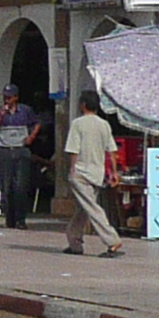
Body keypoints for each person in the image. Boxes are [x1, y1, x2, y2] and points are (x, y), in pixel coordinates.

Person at [61, 89, 122, 257]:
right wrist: (114, 172)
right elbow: (112, 151)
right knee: (83, 208)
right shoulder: (104, 125)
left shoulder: (78, 124)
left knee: (92, 208)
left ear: (83, 105)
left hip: (81, 172)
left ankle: (112, 240)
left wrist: (72, 170)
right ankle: (74, 242)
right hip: (97, 173)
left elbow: (73, 149)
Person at [0, 87, 39, 229]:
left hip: (20, 150)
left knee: (20, 186)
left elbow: (36, 123)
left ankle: (21, 220)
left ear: (16, 97)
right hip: (5, 151)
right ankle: (9, 220)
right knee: (7, 186)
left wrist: (31, 137)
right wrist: (0, 116)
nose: (7, 100)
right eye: (5, 97)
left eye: (10, 97)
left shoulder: (25, 111)